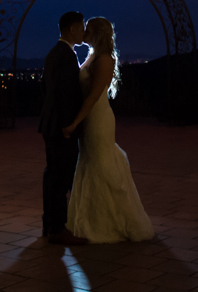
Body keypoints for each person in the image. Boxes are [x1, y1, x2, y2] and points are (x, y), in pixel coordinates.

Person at [63, 17, 155, 243]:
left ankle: (108, 222)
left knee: (99, 163)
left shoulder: (104, 59)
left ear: (96, 33)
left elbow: (94, 96)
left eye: (88, 30)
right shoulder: (92, 55)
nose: (83, 33)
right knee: (89, 162)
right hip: (89, 117)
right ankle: (90, 218)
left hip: (97, 118)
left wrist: (75, 123)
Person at [38, 10, 89, 245]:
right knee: (60, 178)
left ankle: (49, 224)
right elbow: (64, 95)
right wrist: (69, 126)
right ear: (72, 29)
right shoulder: (67, 56)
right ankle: (58, 228)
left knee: (52, 176)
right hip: (61, 128)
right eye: (81, 27)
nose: (84, 31)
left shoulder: (53, 54)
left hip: (49, 125)